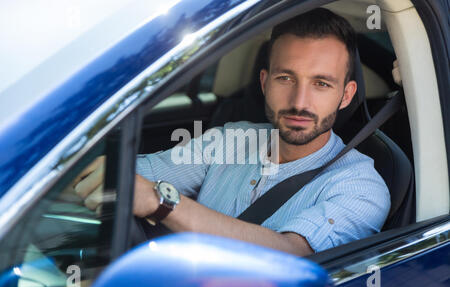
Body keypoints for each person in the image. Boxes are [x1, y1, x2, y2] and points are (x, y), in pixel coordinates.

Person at [74, 8, 390, 256]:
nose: (299, 102)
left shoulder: (361, 184)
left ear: (346, 95)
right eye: (285, 78)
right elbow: (132, 176)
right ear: (265, 83)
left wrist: (162, 201)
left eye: (321, 84)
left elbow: (291, 253)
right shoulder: (230, 139)